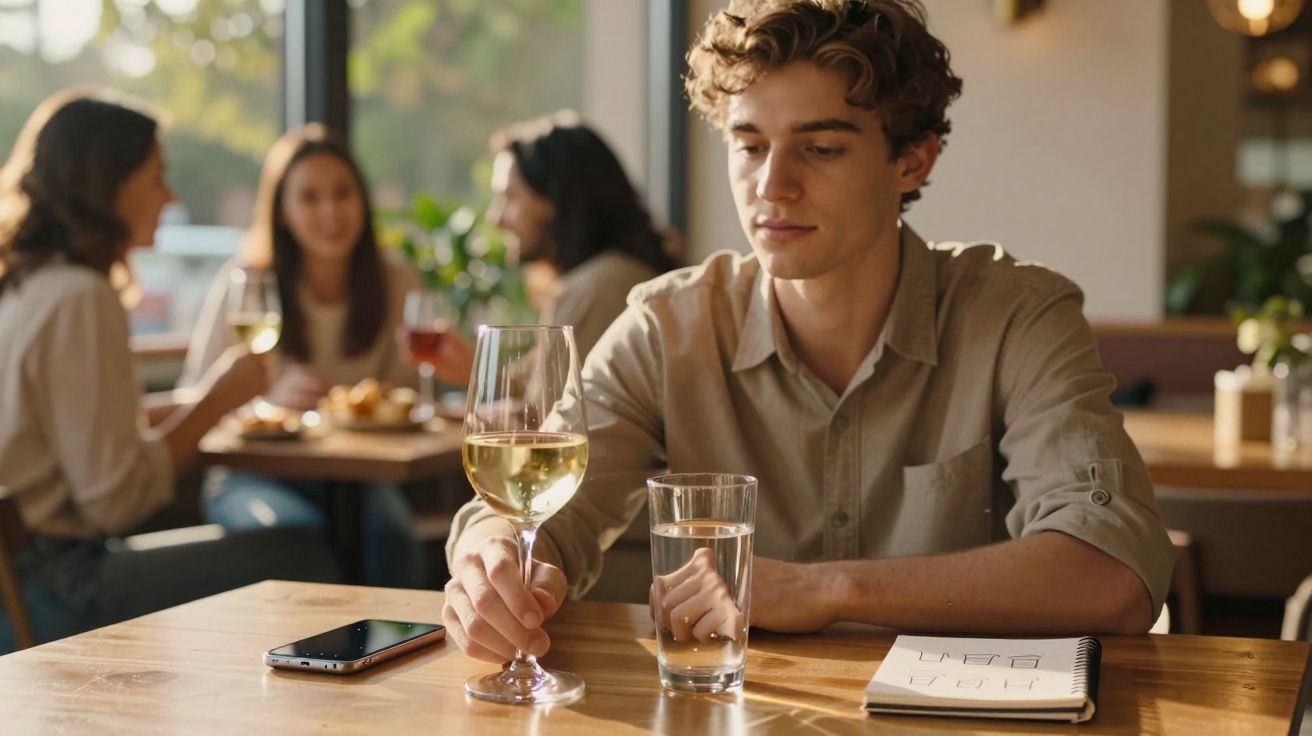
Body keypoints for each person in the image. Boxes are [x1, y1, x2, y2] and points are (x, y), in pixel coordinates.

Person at [441, 0, 1174, 664]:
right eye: (749, 145)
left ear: (911, 160)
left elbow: (1115, 573)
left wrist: (827, 588)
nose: (772, 186)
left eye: (820, 149)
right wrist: (492, 563)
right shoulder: (667, 327)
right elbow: (533, 515)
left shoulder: (1018, 315)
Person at [0, 90, 338, 651]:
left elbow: (75, 435)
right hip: (58, 588)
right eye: (157, 177)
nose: (170, 196)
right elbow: (116, 501)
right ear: (108, 183)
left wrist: (198, 403)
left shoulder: (26, 284)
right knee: (302, 556)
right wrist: (215, 401)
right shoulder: (81, 298)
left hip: (18, 581)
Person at [181, 124, 426, 588]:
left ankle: (389, 640)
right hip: (252, 476)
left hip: (359, 480)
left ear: (363, 200)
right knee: (295, 544)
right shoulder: (246, 283)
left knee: (391, 541)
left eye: (342, 193)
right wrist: (265, 402)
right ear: (281, 210)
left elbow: (407, 393)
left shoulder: (396, 281)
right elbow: (196, 398)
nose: (330, 211)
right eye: (309, 198)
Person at [424, 112, 678, 386]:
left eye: (510, 197)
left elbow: (551, 409)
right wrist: (478, 372)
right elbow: (541, 390)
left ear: (557, 200)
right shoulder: (611, 273)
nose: (495, 218)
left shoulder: (595, 289)